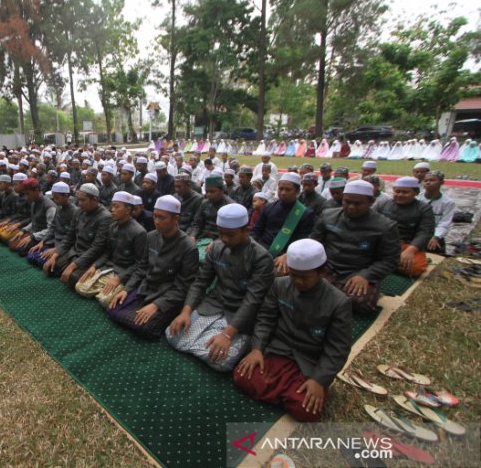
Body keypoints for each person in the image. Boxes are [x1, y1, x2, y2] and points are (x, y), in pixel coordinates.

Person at [234, 239, 352, 423]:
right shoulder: (280, 285)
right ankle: (284, 392)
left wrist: (319, 380)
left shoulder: (339, 302)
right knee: (242, 376)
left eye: (304, 277)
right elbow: (265, 319)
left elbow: (338, 348)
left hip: (309, 360)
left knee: (306, 411)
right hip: (278, 350)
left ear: (322, 272)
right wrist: (257, 349)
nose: (297, 281)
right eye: (293, 274)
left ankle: (284, 390)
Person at [167, 204, 275, 371]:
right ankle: (202, 344)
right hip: (214, 304)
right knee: (172, 336)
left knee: (221, 361)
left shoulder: (262, 258)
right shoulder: (216, 247)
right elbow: (201, 282)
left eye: (230, 235)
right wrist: (186, 312)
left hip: (240, 314)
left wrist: (227, 335)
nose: (224, 239)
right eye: (220, 233)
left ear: (247, 230)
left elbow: (252, 301)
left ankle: (208, 343)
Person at [107, 195, 199, 338]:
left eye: (162, 217)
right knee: (112, 308)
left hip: (168, 295)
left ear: (176, 219)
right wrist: (127, 289)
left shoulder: (188, 247)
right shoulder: (151, 237)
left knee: (145, 328)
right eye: (155, 216)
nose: (156, 221)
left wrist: (157, 304)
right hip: (146, 288)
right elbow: (142, 267)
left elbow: (183, 286)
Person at [310, 180, 400, 313]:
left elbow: (390, 260)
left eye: (358, 203)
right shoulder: (328, 215)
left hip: (358, 272)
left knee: (360, 302)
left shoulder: (386, 226)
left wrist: (366, 276)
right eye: (347, 202)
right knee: (297, 283)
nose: (351, 207)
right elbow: (313, 241)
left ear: (371, 202)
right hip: (327, 268)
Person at [75, 192, 147, 307]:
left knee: (105, 300)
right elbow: (107, 252)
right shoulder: (113, 226)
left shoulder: (139, 232)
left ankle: (114, 289)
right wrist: (95, 266)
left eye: (116, 206)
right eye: (112, 206)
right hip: (109, 267)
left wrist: (119, 278)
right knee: (80, 287)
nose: (112, 209)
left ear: (128, 210)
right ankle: (105, 288)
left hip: (124, 272)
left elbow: (140, 264)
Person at [43, 183, 111, 286]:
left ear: (95, 200)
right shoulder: (79, 212)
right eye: (79, 199)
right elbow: (69, 236)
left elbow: (97, 248)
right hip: (74, 251)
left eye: (83, 200)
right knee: (50, 267)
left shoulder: (105, 218)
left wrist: (73, 266)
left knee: (72, 278)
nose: (79, 203)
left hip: (88, 257)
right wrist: (56, 254)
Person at [250, 173, 315, 274]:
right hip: (261, 251)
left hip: (284, 256)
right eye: (281, 189)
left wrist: (287, 255)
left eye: (288, 190)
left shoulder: (305, 214)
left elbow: (301, 241)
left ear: (297, 191)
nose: (283, 193)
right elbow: (255, 232)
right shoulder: (268, 208)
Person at [375, 176, 435, 277]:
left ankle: (384, 263)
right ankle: (389, 262)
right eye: (397, 191)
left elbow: (425, 232)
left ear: (416, 192)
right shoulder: (383, 204)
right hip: (383, 242)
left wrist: (410, 250)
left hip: (407, 245)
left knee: (415, 268)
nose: (400, 195)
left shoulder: (424, 209)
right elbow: (369, 219)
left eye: (405, 192)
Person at [27, 182, 76, 267]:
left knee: (44, 263)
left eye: (57, 197)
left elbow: (72, 237)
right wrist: (42, 241)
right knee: (31, 256)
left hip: (66, 246)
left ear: (67, 196)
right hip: (55, 241)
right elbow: (52, 228)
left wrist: (56, 250)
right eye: (53, 197)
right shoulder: (59, 208)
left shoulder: (75, 212)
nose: (54, 200)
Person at [188, 175, 235, 258]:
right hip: (202, 237)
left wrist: (217, 243)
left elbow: (231, 232)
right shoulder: (204, 203)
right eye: (207, 191)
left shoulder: (230, 206)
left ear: (222, 190)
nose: (209, 194)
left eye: (212, 191)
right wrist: (193, 236)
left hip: (221, 239)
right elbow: (197, 224)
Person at [7, 178, 57, 255]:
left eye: (28, 193)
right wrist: (23, 231)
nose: (27, 197)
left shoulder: (50, 206)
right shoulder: (33, 202)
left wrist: (32, 236)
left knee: (20, 249)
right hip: (34, 233)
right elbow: (33, 221)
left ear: (37, 191)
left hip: (43, 237)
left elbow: (51, 229)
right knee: (11, 242)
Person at [418, 171, 455, 255]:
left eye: (432, 180)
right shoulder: (417, 198)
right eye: (426, 180)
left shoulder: (448, 202)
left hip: (434, 235)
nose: (428, 182)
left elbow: (445, 223)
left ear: (442, 182)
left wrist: (436, 236)